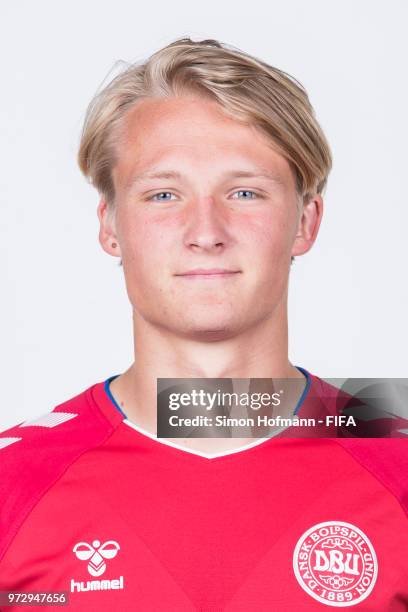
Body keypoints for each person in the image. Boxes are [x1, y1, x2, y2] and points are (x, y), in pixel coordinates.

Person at [0, 37, 407, 611]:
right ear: (110, 224)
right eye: (164, 194)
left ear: (305, 223)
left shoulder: (396, 467)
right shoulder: (12, 483)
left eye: (245, 192)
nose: (206, 232)